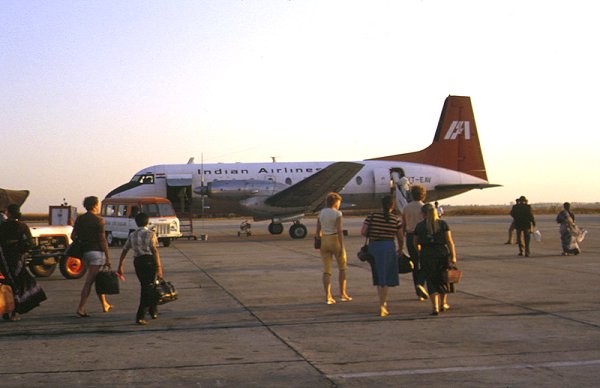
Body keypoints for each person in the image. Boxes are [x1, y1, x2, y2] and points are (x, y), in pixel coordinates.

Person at [0, 204, 47, 321]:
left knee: (7, 283)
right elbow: (29, 243)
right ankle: (15, 312)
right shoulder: (22, 226)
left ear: (8, 213)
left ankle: (7, 310)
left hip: (4, 258)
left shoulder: (2, 226)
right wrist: (22, 252)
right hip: (17, 258)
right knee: (18, 283)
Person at [117, 212, 164, 325]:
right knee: (147, 288)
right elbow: (154, 250)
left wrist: (120, 265)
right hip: (149, 261)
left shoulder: (132, 235)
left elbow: (125, 249)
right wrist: (159, 267)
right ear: (147, 222)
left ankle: (153, 310)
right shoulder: (151, 234)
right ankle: (140, 315)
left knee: (148, 286)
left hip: (138, 262)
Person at [361, 195, 402, 317]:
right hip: (389, 247)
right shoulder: (395, 219)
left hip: (375, 247)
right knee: (385, 277)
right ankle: (383, 304)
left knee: (379, 276)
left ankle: (381, 304)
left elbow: (363, 232)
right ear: (392, 206)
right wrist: (401, 248)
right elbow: (400, 236)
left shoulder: (372, 216)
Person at [413, 203, 457, 316]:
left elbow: (415, 242)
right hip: (441, 253)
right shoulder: (442, 224)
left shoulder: (420, 226)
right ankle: (443, 303)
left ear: (423, 214)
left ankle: (435, 307)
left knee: (431, 281)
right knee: (443, 279)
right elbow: (449, 241)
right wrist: (453, 256)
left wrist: (420, 252)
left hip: (427, 254)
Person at [72, 196, 112, 317]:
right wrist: (108, 257)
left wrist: (83, 241)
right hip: (97, 253)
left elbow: (73, 236)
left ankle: (105, 304)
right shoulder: (99, 220)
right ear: (95, 205)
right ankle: (81, 307)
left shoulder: (80, 219)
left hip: (86, 253)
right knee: (89, 282)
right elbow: (102, 240)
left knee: (96, 278)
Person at [315, 192, 351, 305]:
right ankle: (343, 293)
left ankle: (328, 296)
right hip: (335, 239)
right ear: (335, 202)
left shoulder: (321, 213)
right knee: (342, 268)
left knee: (327, 270)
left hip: (324, 240)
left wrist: (319, 241)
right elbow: (340, 230)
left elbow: (317, 232)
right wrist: (342, 246)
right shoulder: (337, 213)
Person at [402, 185, 429, 301]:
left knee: (414, 263)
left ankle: (418, 292)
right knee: (424, 263)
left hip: (409, 236)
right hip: (421, 237)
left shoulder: (406, 207)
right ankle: (420, 284)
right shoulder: (424, 208)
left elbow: (403, 224)